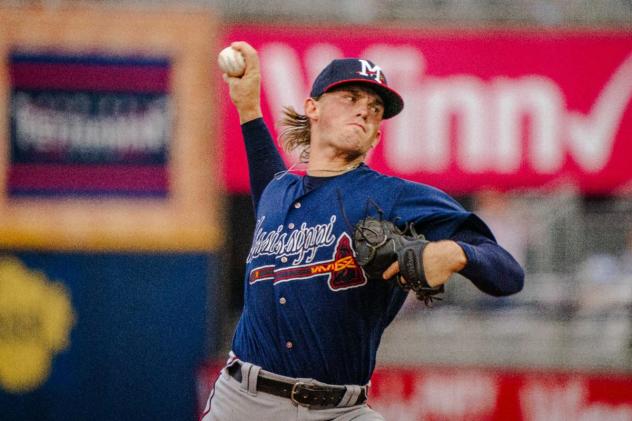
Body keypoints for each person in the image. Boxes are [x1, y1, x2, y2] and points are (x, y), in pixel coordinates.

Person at [201, 41, 524, 421]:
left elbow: (509, 273)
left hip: (340, 410)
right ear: (313, 108)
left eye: (375, 110)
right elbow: (266, 180)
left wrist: (457, 253)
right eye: (351, 97)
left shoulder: (393, 197)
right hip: (243, 402)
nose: (364, 111)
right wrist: (249, 108)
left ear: (376, 137)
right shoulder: (277, 192)